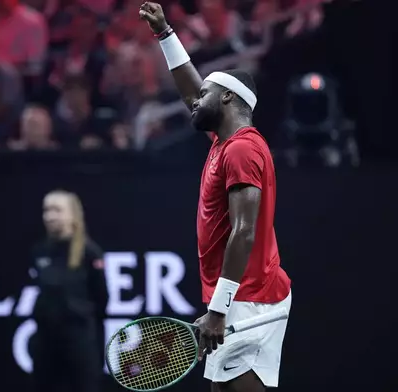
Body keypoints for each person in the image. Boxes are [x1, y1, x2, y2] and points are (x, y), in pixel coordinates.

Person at [139, 3, 292, 392]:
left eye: (206, 94)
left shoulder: (242, 150)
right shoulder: (225, 142)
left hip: (251, 298)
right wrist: (165, 34)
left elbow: (245, 231)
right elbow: (193, 87)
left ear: (226, 99)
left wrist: (219, 309)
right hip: (242, 294)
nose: (194, 101)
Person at [30, 190, 109, 392]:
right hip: (46, 338)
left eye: (57, 210)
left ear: (72, 214)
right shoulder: (40, 250)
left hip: (79, 337)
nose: (49, 216)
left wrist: (80, 318)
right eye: (46, 210)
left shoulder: (90, 251)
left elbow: (101, 297)